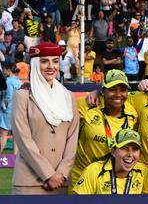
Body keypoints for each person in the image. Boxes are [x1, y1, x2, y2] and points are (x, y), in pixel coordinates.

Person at [11, 42, 80, 194]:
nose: (51, 66)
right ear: (35, 64)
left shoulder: (68, 97)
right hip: (29, 183)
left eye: (55, 61)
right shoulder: (22, 97)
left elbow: (72, 138)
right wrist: (49, 175)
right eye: (44, 61)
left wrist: (61, 173)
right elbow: (24, 140)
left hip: (60, 184)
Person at [71, 70, 138, 185]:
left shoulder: (133, 114)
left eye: (122, 90)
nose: (118, 94)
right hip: (81, 177)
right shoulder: (87, 104)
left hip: (112, 182)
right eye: (112, 89)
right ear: (103, 90)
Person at [72, 129, 148, 195]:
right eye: (124, 148)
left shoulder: (143, 171)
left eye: (135, 149)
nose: (130, 154)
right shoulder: (93, 170)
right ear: (113, 152)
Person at [0, 64, 21, 154]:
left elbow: (8, 97)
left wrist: (4, 108)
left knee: (3, 134)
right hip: (18, 109)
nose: (4, 72)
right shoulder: (18, 81)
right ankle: (14, 157)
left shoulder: (8, 81)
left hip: (8, 110)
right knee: (16, 135)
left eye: (4, 70)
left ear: (8, 70)